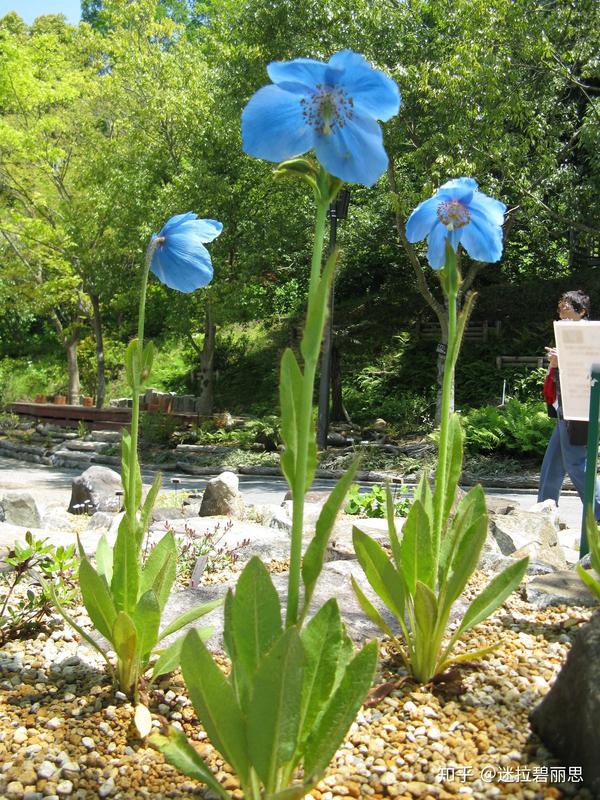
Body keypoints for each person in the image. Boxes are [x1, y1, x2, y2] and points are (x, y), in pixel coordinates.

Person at [537, 290, 600, 527]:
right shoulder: (568, 335)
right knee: (553, 463)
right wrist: (557, 361)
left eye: (567, 309)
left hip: (581, 407)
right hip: (566, 406)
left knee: (576, 462)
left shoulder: (590, 335)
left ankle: (599, 511)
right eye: (560, 309)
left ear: (582, 311)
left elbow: (589, 369)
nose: (561, 314)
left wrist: (560, 361)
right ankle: (544, 512)